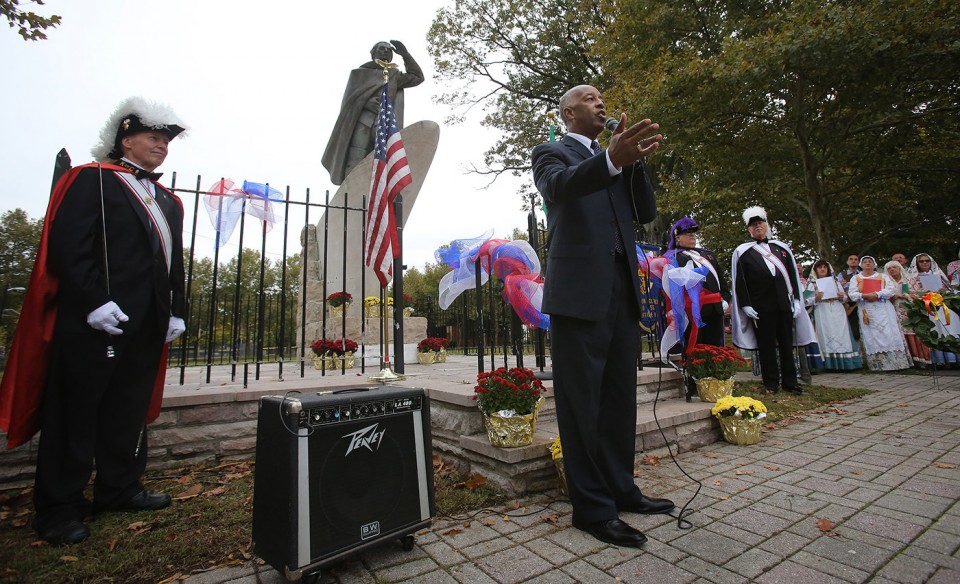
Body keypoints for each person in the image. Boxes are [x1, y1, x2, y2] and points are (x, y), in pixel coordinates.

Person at [0, 97, 187, 545]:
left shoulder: (167, 199)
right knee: (75, 413)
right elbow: (68, 244)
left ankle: (119, 488)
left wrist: (176, 309)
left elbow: (173, 263)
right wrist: (93, 301)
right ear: (125, 139)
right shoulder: (91, 179)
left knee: (128, 410)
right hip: (94, 319)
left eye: (166, 141)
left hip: (146, 321)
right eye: (153, 137)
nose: (162, 146)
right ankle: (59, 507)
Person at [531, 84, 674, 547]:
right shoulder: (550, 153)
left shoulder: (617, 157)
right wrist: (612, 159)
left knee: (618, 397)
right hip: (578, 294)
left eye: (601, 98)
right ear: (569, 113)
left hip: (622, 289)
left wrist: (634, 162)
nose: (601, 103)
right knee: (581, 403)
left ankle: (621, 489)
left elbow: (645, 212)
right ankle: (592, 509)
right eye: (590, 99)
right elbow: (560, 187)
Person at [730, 206, 816, 394]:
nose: (757, 227)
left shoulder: (781, 249)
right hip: (761, 306)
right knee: (766, 346)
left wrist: (796, 300)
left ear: (766, 225)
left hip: (784, 304)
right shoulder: (743, 252)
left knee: (787, 344)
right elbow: (740, 281)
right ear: (749, 230)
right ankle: (771, 382)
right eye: (753, 225)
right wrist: (746, 304)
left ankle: (791, 382)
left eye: (760, 223)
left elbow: (792, 276)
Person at [321, 40, 424, 185]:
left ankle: (379, 192)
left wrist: (405, 55)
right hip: (363, 122)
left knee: (383, 159)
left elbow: (417, 77)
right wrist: (366, 102)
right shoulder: (359, 74)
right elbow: (350, 101)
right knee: (356, 158)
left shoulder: (395, 75)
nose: (386, 51)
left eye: (389, 50)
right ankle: (350, 191)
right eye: (382, 48)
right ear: (373, 53)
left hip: (384, 124)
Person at [847, 256, 912, 371]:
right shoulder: (856, 278)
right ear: (861, 265)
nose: (868, 263)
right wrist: (864, 295)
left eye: (870, 261)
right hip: (866, 308)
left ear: (874, 264)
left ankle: (896, 363)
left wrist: (876, 294)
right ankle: (877, 364)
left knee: (888, 332)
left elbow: (890, 290)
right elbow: (852, 294)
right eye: (865, 262)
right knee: (872, 334)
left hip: (883, 307)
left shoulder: (883, 276)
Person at [804, 260, 863, 371]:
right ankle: (830, 364)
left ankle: (846, 363)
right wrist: (816, 298)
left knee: (842, 334)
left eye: (824, 267)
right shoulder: (812, 284)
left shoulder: (835, 282)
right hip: (822, 310)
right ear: (815, 270)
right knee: (825, 334)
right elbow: (806, 300)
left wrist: (841, 296)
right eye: (820, 267)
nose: (822, 269)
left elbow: (845, 298)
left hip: (837, 309)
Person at [907, 253, 958, 368]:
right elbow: (911, 292)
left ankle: (954, 360)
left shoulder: (938, 274)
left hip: (941, 306)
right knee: (934, 332)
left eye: (927, 261)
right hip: (926, 308)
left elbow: (949, 289)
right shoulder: (913, 278)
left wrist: (942, 291)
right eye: (921, 261)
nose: (925, 263)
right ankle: (939, 361)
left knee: (948, 331)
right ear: (916, 264)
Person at [884, 259, 931, 367]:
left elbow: (920, 294)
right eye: (889, 268)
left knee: (916, 331)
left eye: (894, 267)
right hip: (896, 310)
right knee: (902, 332)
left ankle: (922, 359)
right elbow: (884, 296)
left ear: (900, 268)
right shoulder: (887, 282)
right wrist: (894, 296)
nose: (892, 269)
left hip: (912, 308)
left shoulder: (910, 280)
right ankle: (909, 360)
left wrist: (908, 295)